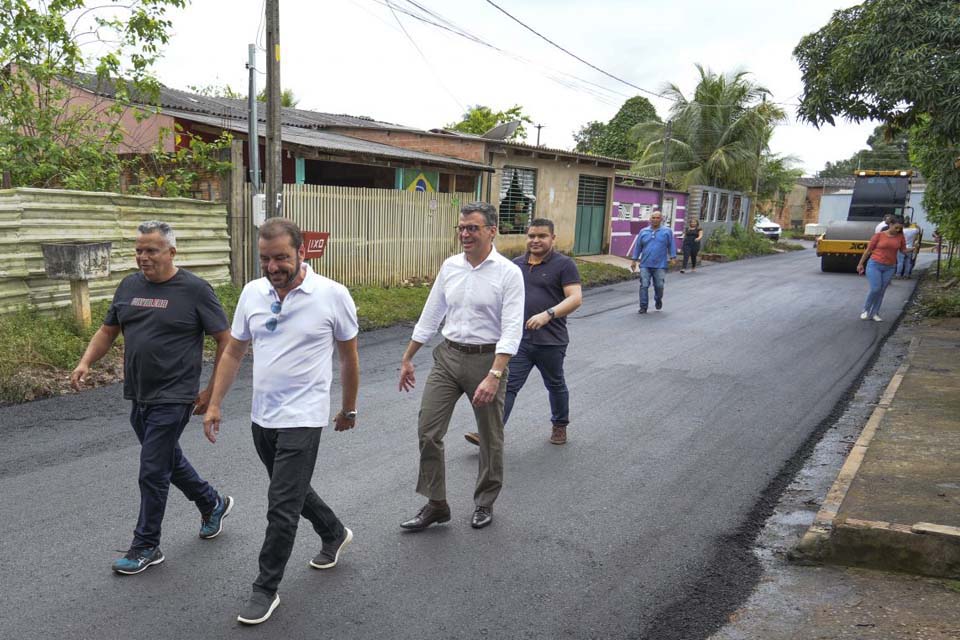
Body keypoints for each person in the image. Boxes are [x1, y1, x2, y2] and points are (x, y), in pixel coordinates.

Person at [203, 218, 360, 626]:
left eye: (281, 258)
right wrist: (216, 403)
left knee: (281, 506)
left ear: (302, 252)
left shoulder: (332, 295)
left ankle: (265, 588)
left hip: (304, 417)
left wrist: (349, 408)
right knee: (288, 490)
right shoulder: (253, 294)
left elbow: (348, 357)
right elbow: (234, 352)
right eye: (265, 259)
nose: (273, 267)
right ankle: (333, 532)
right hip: (262, 416)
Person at [70, 220, 233, 576]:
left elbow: (226, 339)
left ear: (171, 252)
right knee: (166, 459)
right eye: (139, 250)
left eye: (151, 250)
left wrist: (211, 391)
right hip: (138, 394)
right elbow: (107, 330)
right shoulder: (129, 286)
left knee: (152, 470)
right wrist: (85, 361)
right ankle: (212, 502)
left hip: (175, 396)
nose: (143, 257)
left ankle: (146, 545)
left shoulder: (195, 290)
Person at [398, 202, 524, 531]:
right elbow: (432, 313)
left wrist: (495, 374)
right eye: (462, 228)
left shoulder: (508, 274)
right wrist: (409, 356)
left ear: (491, 231)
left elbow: (512, 328)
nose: (465, 234)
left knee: (490, 436)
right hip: (448, 357)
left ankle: (485, 502)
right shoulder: (451, 266)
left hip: (487, 360)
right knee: (428, 430)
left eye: (473, 228)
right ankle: (436, 503)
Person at [464, 218, 582, 447]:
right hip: (518, 341)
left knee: (555, 384)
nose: (535, 240)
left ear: (553, 238)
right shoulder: (515, 265)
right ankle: (489, 433)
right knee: (506, 386)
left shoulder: (564, 265)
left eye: (542, 236)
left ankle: (560, 425)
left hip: (551, 341)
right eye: (531, 236)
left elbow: (575, 298)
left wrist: (548, 314)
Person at [857, 217, 907, 322]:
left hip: (890, 267)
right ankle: (865, 310)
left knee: (881, 291)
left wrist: (914, 248)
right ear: (890, 224)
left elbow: (903, 250)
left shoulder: (900, 237)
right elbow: (868, 250)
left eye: (900, 228)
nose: (897, 230)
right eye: (896, 227)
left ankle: (875, 312)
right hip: (875, 264)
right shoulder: (879, 236)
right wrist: (860, 264)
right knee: (876, 288)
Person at [629, 210, 677, 313]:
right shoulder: (643, 231)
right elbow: (638, 247)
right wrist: (634, 260)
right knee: (644, 285)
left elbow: (671, 245)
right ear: (650, 219)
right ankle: (643, 306)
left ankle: (658, 299)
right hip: (645, 264)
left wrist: (673, 257)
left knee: (659, 285)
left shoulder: (667, 231)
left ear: (661, 219)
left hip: (660, 265)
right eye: (653, 218)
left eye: (657, 218)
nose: (655, 220)